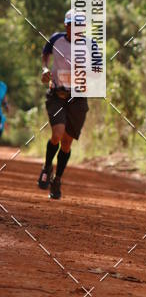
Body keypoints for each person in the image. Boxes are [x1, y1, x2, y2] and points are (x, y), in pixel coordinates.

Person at [38, 10, 90, 200]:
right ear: (66, 25)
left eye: (77, 26)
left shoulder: (89, 45)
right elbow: (45, 54)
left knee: (67, 143)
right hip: (56, 96)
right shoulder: (56, 39)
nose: (73, 29)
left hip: (77, 99)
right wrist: (45, 69)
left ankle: (57, 179)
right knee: (57, 134)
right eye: (70, 25)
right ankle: (47, 167)